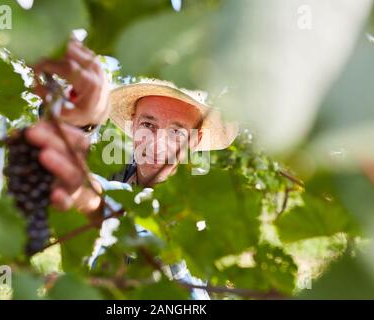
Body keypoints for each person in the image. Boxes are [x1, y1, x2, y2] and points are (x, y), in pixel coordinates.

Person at [27, 41, 238, 299]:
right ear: (133, 124)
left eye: (176, 132)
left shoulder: (200, 207)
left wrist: (89, 199)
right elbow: (70, 170)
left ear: (194, 141)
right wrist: (70, 117)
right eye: (148, 124)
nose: (157, 142)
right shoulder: (116, 172)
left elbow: (100, 201)